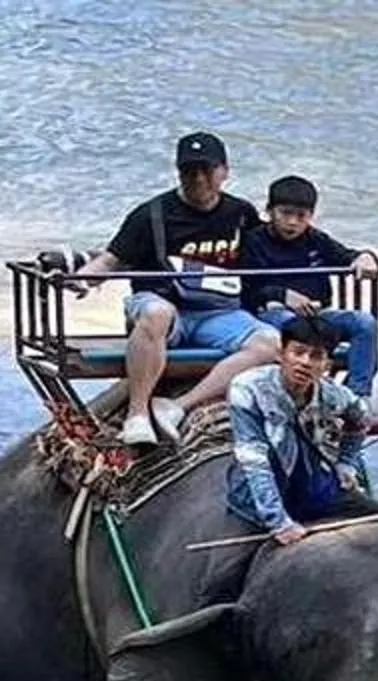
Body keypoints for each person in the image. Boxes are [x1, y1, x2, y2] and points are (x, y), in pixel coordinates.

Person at [70, 132, 275, 448]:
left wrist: (350, 258)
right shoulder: (150, 215)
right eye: (189, 171)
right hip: (163, 308)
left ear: (224, 171)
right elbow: (112, 260)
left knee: (271, 342)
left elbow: (276, 249)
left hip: (219, 312)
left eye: (206, 170)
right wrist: (83, 278)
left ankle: (178, 406)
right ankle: (136, 415)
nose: (198, 179)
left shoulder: (241, 214)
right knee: (157, 312)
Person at [225, 315, 378, 542]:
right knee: (226, 572)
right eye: (298, 352)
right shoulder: (247, 388)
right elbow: (253, 459)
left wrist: (347, 463)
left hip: (316, 487)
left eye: (316, 356)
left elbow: (361, 419)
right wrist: (278, 521)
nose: (305, 362)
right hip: (261, 491)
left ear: (327, 364)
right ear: (281, 355)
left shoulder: (334, 394)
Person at [236, 177, 378, 406]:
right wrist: (283, 295)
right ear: (270, 211)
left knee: (364, 323)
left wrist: (365, 256)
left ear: (311, 216)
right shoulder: (254, 241)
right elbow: (247, 287)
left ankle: (357, 397)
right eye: (285, 213)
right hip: (271, 316)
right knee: (286, 321)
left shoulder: (315, 239)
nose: (293, 222)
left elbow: (347, 255)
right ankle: (294, 393)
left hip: (316, 317)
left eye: (301, 216)